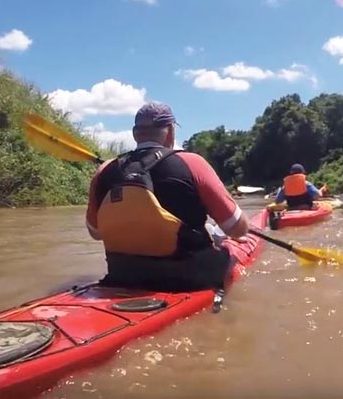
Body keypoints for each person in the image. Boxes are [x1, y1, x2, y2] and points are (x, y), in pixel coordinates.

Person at [85, 101, 250, 292]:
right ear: (171, 131)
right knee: (230, 251)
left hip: (123, 276)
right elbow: (238, 229)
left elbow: (95, 232)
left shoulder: (104, 171)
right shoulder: (192, 163)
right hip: (189, 280)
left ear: (134, 133)